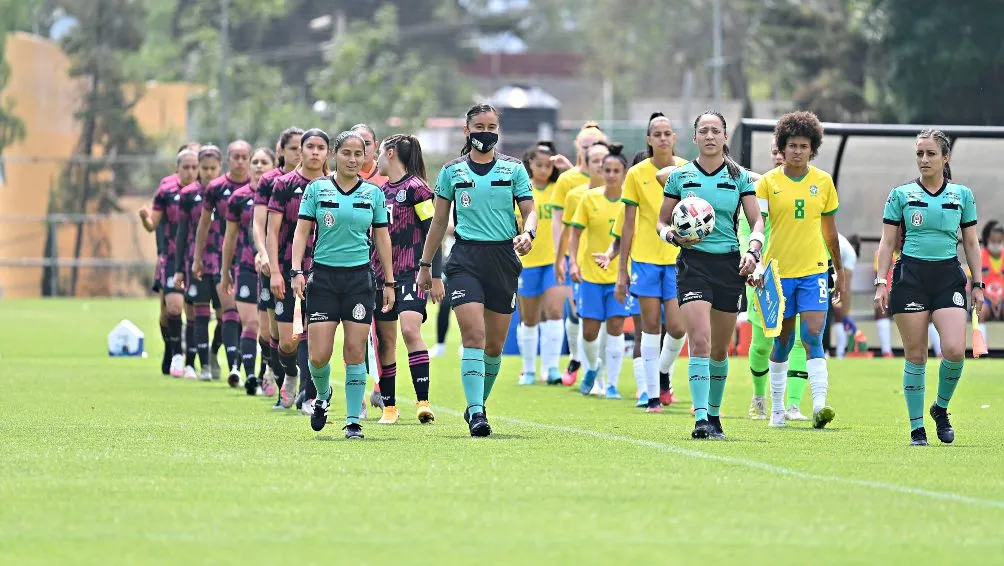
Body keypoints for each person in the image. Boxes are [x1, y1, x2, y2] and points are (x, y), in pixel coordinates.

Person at [417, 103, 537, 437]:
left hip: (503, 259)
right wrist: (428, 266)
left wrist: (529, 233)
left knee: (494, 347)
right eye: (479, 126)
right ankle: (479, 413)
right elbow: (439, 222)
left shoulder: (513, 169)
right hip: (465, 260)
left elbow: (530, 211)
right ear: (466, 131)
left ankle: (475, 405)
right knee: (474, 336)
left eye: (491, 126)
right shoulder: (452, 171)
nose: (486, 132)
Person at [656, 111, 763, 439]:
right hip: (693, 265)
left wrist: (753, 251)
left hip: (729, 266)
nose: (710, 136)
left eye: (716, 130)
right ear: (695, 138)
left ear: (725, 137)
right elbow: (661, 222)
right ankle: (701, 418)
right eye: (703, 130)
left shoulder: (739, 176)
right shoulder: (680, 176)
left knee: (719, 349)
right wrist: (672, 236)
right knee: (698, 341)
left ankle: (715, 416)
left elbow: (756, 220)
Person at [874, 129, 982, 446]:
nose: (924, 159)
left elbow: (972, 244)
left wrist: (979, 283)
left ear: (945, 158)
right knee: (916, 355)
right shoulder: (901, 195)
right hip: (910, 276)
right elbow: (887, 241)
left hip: (948, 275)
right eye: (920, 153)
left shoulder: (962, 195)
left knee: (953, 351)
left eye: (931, 153)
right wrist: (882, 282)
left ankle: (941, 408)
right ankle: (916, 428)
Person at [292, 130, 395, 440]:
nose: (353, 159)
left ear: (366, 157)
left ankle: (353, 421)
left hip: (358, 281)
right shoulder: (317, 190)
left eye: (359, 153)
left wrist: (389, 280)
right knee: (318, 356)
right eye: (347, 153)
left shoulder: (374, 194)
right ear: (335, 155)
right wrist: (296, 270)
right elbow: (301, 233)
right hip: (322, 279)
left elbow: (382, 237)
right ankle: (322, 397)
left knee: (354, 352)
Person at [755, 111, 842, 430]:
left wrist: (839, 274)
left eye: (804, 146)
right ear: (782, 146)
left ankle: (819, 405)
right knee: (781, 341)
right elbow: (759, 226)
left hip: (814, 271)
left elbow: (831, 233)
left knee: (812, 336)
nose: (797, 151)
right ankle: (777, 410)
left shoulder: (823, 182)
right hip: (776, 274)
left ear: (812, 148)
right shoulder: (767, 182)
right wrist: (756, 261)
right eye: (791, 145)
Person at [615, 113, 689, 412]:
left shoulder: (686, 169)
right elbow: (628, 224)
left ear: (674, 137)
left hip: (677, 259)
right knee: (650, 326)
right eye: (656, 134)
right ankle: (651, 395)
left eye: (667, 133)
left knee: (677, 326)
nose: (662, 138)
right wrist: (622, 270)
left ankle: (662, 373)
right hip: (644, 260)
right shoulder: (636, 173)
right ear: (648, 139)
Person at [369, 133, 443, 424]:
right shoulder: (379, 192)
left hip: (412, 272)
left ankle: (423, 402)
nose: (374, 160)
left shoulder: (418, 189)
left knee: (411, 331)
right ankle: (389, 407)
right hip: (380, 276)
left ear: (389, 153)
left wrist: (435, 275)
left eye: (377, 153)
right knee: (386, 343)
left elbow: (432, 234)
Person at [738, 141, 810, 421]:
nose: (783, 155)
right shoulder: (759, 192)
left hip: (800, 273)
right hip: (763, 276)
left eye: (790, 148)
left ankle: (792, 405)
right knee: (762, 343)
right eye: (778, 151)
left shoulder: (810, 188)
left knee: (799, 341)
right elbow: (746, 231)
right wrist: (755, 263)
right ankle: (759, 397)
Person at [267, 129, 328, 408]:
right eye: (310, 147)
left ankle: (310, 394)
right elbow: (272, 230)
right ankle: (291, 373)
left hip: (323, 269)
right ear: (300, 151)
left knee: (314, 334)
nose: (315, 152)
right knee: (289, 341)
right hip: (288, 267)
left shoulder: (332, 185)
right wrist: (277, 271)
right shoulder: (283, 184)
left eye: (321, 147)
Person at [568, 144, 633, 399]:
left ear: (624, 172)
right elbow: (575, 235)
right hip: (591, 277)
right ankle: (593, 368)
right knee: (590, 332)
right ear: (601, 171)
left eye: (616, 170)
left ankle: (612, 384)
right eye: (607, 170)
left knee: (616, 328)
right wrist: (573, 262)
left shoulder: (630, 200)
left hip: (619, 276)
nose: (611, 175)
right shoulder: (589, 198)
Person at [550, 122, 606, 383]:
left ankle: (599, 371)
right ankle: (575, 357)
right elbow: (559, 221)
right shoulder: (569, 181)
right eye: (585, 144)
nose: (590, 148)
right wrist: (560, 256)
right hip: (577, 254)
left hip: (605, 255)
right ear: (578, 147)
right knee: (576, 310)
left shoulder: (612, 174)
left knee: (605, 317)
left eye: (595, 144)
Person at [194, 140, 252, 387]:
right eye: (235, 157)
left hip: (249, 257)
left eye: (244, 157)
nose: (240, 161)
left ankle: (219, 350)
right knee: (229, 310)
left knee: (243, 317)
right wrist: (197, 257)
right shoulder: (216, 188)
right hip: (222, 256)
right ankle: (235, 368)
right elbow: (204, 223)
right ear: (228, 159)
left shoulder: (258, 187)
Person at [139, 148, 200, 377]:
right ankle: (173, 351)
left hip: (197, 258)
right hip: (171, 257)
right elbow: (152, 224)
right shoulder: (166, 190)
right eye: (186, 167)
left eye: (195, 167)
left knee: (194, 311)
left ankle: (192, 361)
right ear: (177, 169)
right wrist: (145, 218)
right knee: (171, 309)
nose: (191, 171)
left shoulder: (205, 192)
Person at [254, 127, 303, 406]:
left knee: (307, 330)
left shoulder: (323, 182)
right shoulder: (272, 181)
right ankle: (282, 373)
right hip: (277, 264)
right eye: (294, 148)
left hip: (311, 267)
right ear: (281, 150)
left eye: (304, 147)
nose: (300, 152)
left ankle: (308, 393)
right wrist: (264, 255)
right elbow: (260, 224)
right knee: (277, 335)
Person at [221, 147, 275, 395]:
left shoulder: (279, 193)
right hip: (244, 266)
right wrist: (225, 271)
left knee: (268, 329)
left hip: (274, 267)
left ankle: (268, 374)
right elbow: (229, 237)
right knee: (251, 323)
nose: (258, 166)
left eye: (264, 162)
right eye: (255, 161)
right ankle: (251, 375)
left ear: (273, 165)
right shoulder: (238, 197)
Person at [516, 142, 565, 385]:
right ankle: (529, 370)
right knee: (530, 317)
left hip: (553, 261)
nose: (545, 170)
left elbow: (585, 185)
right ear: (529, 165)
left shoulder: (559, 188)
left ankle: (552, 368)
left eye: (549, 166)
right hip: (527, 262)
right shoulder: (522, 190)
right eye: (539, 165)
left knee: (555, 311)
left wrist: (566, 167)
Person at [173, 146, 223, 380]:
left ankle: (213, 353)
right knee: (199, 315)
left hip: (224, 262)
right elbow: (182, 233)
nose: (209, 172)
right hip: (198, 263)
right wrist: (178, 269)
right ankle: (204, 366)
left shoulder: (228, 192)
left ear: (220, 167)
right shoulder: (188, 194)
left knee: (226, 317)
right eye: (205, 168)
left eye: (213, 168)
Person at [832, 233, 859, 358]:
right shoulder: (850, 252)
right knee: (836, 309)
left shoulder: (846, 251)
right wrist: (845, 314)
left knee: (836, 309)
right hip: (827, 261)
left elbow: (845, 287)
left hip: (828, 262)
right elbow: (845, 289)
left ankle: (839, 352)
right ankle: (839, 352)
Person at [977, 220, 1004, 342]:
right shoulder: (980, 256)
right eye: (993, 241)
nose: (996, 244)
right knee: (980, 312)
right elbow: (975, 280)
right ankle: (982, 348)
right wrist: (989, 297)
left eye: (1000, 242)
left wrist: (1000, 298)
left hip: (1002, 299)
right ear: (987, 240)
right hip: (986, 299)